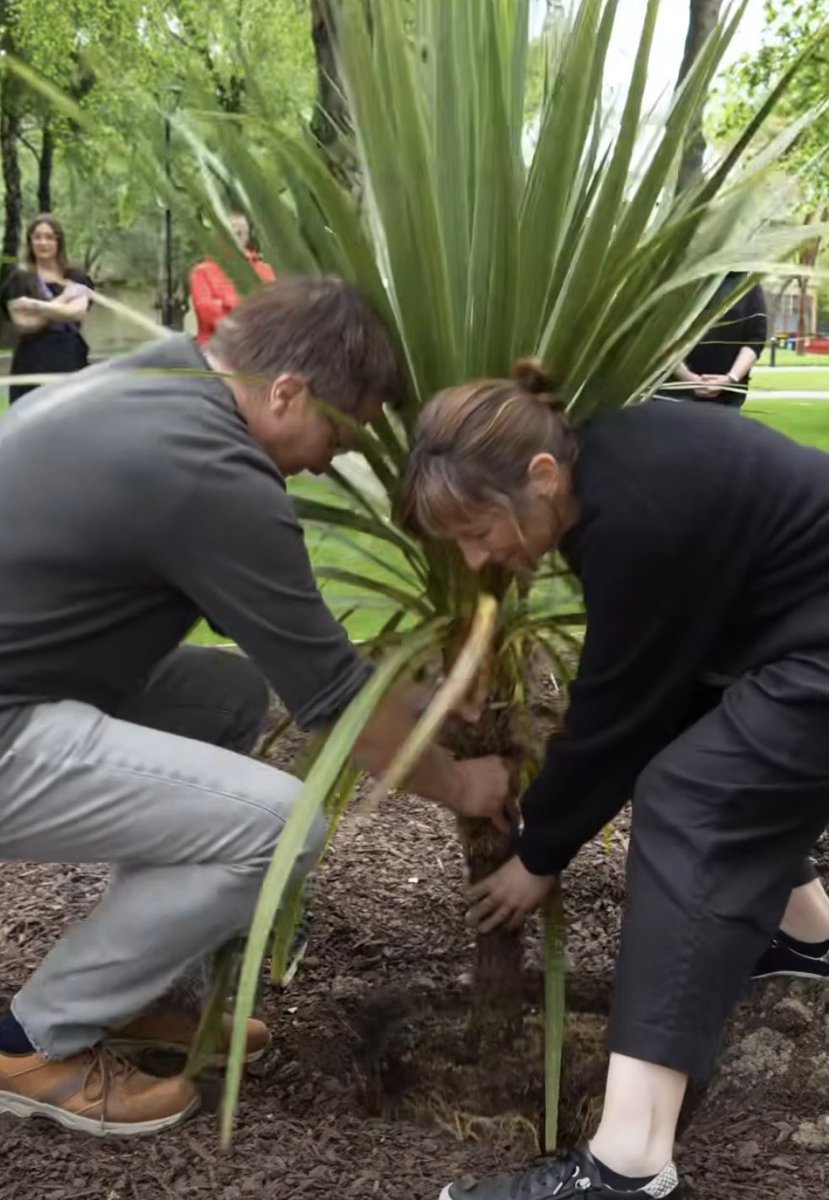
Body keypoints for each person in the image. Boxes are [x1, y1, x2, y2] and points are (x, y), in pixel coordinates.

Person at [0, 276, 514, 1138]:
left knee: (226, 690)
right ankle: (31, 1043)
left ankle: (139, 993)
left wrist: (408, 701)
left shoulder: (157, 381)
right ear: (286, 392)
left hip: (27, 682)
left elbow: (301, 653)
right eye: (336, 435)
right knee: (281, 830)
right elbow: (335, 704)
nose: (325, 462)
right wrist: (463, 789)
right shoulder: (213, 472)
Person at [401, 362, 829, 1200]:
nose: (477, 556)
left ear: (541, 475)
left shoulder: (634, 514)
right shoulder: (623, 467)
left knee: (690, 800)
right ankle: (808, 936)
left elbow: (618, 712)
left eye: (478, 529)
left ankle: (626, 1166)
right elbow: (666, 685)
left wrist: (538, 851)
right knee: (721, 758)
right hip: (800, 635)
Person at [2, 213, 93, 403]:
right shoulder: (19, 279)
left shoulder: (76, 277)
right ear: (30, 241)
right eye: (37, 237)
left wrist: (35, 306)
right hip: (32, 362)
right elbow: (24, 324)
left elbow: (76, 312)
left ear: (59, 242)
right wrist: (64, 299)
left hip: (70, 359)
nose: (43, 243)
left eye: (49, 237)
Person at [659, 273, 767, 407]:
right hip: (676, 394)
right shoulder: (683, 277)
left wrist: (730, 379)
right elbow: (661, 336)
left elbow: (756, 338)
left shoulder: (748, 284)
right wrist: (687, 378)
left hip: (727, 397)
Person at [190, 211, 275, 344]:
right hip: (216, 347)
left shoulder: (265, 270)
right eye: (233, 232)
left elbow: (272, 308)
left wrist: (226, 303)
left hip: (257, 346)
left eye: (242, 233)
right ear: (220, 234)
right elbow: (206, 311)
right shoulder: (202, 272)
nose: (238, 237)